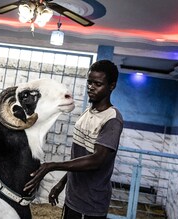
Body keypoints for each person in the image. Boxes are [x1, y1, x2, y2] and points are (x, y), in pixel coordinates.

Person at [24, 60, 123, 219]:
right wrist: (62, 184)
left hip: (90, 204)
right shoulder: (87, 113)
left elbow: (96, 160)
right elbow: (78, 158)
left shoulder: (112, 119)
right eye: (89, 82)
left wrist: (52, 166)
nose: (91, 87)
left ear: (111, 86)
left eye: (97, 84)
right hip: (73, 198)